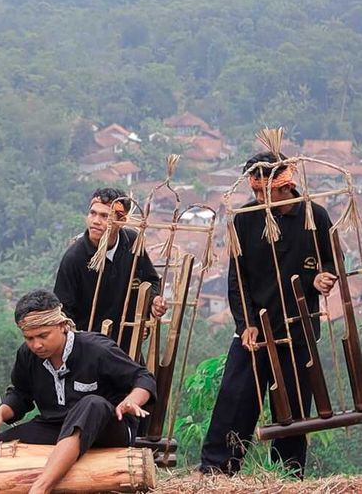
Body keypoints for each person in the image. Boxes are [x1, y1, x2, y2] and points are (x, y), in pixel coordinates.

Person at [198, 152, 337, 478]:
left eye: (266, 192)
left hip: (297, 330)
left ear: (285, 184)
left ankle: (288, 475)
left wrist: (321, 278)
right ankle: (216, 472)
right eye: (256, 192)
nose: (260, 199)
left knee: (292, 410)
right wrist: (245, 324)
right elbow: (238, 279)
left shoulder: (314, 216)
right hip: (255, 331)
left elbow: (329, 262)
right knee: (234, 400)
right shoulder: (245, 219)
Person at [0, 289, 156, 494]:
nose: (36, 345)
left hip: (107, 428)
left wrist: (132, 399)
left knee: (92, 403)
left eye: (43, 335)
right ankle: (65, 465)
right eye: (29, 338)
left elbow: (143, 377)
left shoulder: (96, 349)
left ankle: (41, 487)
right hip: (57, 426)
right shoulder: (27, 355)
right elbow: (21, 395)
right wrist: (0, 414)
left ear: (62, 325)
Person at [53, 187, 167, 351]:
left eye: (105, 216)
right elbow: (63, 312)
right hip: (89, 350)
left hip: (127, 347)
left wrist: (154, 301)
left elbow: (150, 281)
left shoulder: (132, 243)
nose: (96, 221)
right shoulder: (75, 258)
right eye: (93, 213)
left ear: (122, 220)